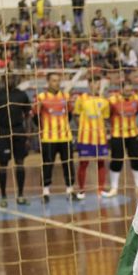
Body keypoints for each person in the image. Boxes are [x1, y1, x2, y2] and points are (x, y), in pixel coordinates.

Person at [0, 73, 31, 207]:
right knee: (3, 164)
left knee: (20, 162)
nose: (10, 80)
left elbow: (27, 114)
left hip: (19, 131)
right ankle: (3, 196)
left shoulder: (21, 95)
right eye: (7, 78)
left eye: (12, 77)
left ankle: (21, 194)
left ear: (16, 79)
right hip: (3, 132)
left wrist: (27, 132)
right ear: (2, 80)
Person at [35, 72, 76, 202]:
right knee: (47, 165)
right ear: (48, 82)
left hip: (65, 137)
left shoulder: (66, 96)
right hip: (48, 138)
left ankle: (70, 191)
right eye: (53, 80)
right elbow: (35, 117)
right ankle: (45, 192)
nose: (56, 83)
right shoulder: (41, 97)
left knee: (68, 165)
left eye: (58, 80)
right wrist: (45, 129)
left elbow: (69, 115)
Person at [73, 75, 110, 197]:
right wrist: (84, 127)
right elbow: (76, 115)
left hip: (100, 138)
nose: (95, 85)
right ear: (88, 84)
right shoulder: (81, 98)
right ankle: (81, 190)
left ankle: (101, 189)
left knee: (101, 163)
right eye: (93, 82)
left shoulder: (104, 101)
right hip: (85, 138)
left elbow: (105, 118)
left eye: (97, 82)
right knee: (83, 163)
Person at [108, 81, 138, 196]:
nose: (129, 92)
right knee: (116, 160)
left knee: (137, 159)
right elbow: (108, 115)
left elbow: (137, 111)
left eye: (130, 90)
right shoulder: (112, 100)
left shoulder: (136, 99)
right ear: (121, 89)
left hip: (133, 134)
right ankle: (114, 188)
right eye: (127, 90)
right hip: (117, 135)